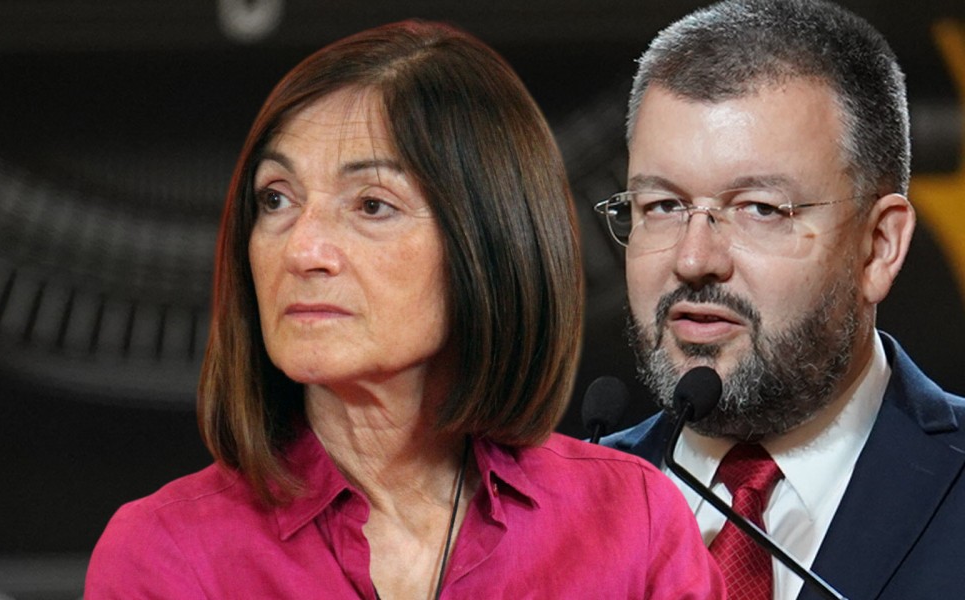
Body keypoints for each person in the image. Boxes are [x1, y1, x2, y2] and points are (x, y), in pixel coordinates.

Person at [85, 19, 723, 600]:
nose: (302, 250)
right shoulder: (168, 552)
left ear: (490, 244)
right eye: (276, 198)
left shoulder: (631, 521)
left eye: (371, 205)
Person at [599, 1, 965, 599]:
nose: (693, 260)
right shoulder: (554, 512)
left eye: (760, 209)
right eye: (662, 206)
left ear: (878, 246)